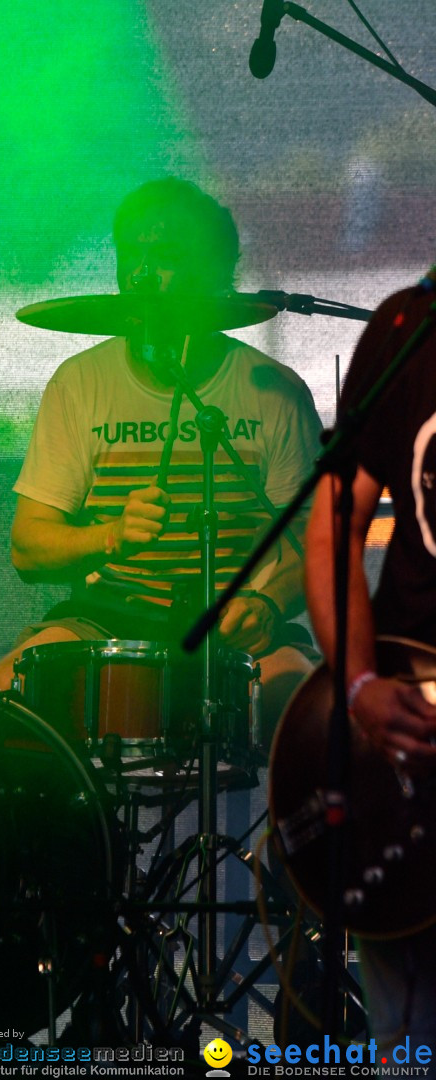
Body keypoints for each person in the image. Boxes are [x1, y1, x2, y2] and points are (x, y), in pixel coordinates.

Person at [0, 177, 322, 741]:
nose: (140, 274)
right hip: (112, 614)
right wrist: (110, 535)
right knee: (0, 699)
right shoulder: (79, 383)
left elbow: (317, 544)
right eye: (130, 255)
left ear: (214, 272)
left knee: (315, 724)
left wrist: (265, 600)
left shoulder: (274, 390)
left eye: (163, 255)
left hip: (240, 625)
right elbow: (27, 548)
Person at [305, 277, 436, 1063]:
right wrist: (358, 685)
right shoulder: (406, 328)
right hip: (410, 736)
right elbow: (333, 522)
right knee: (412, 1038)